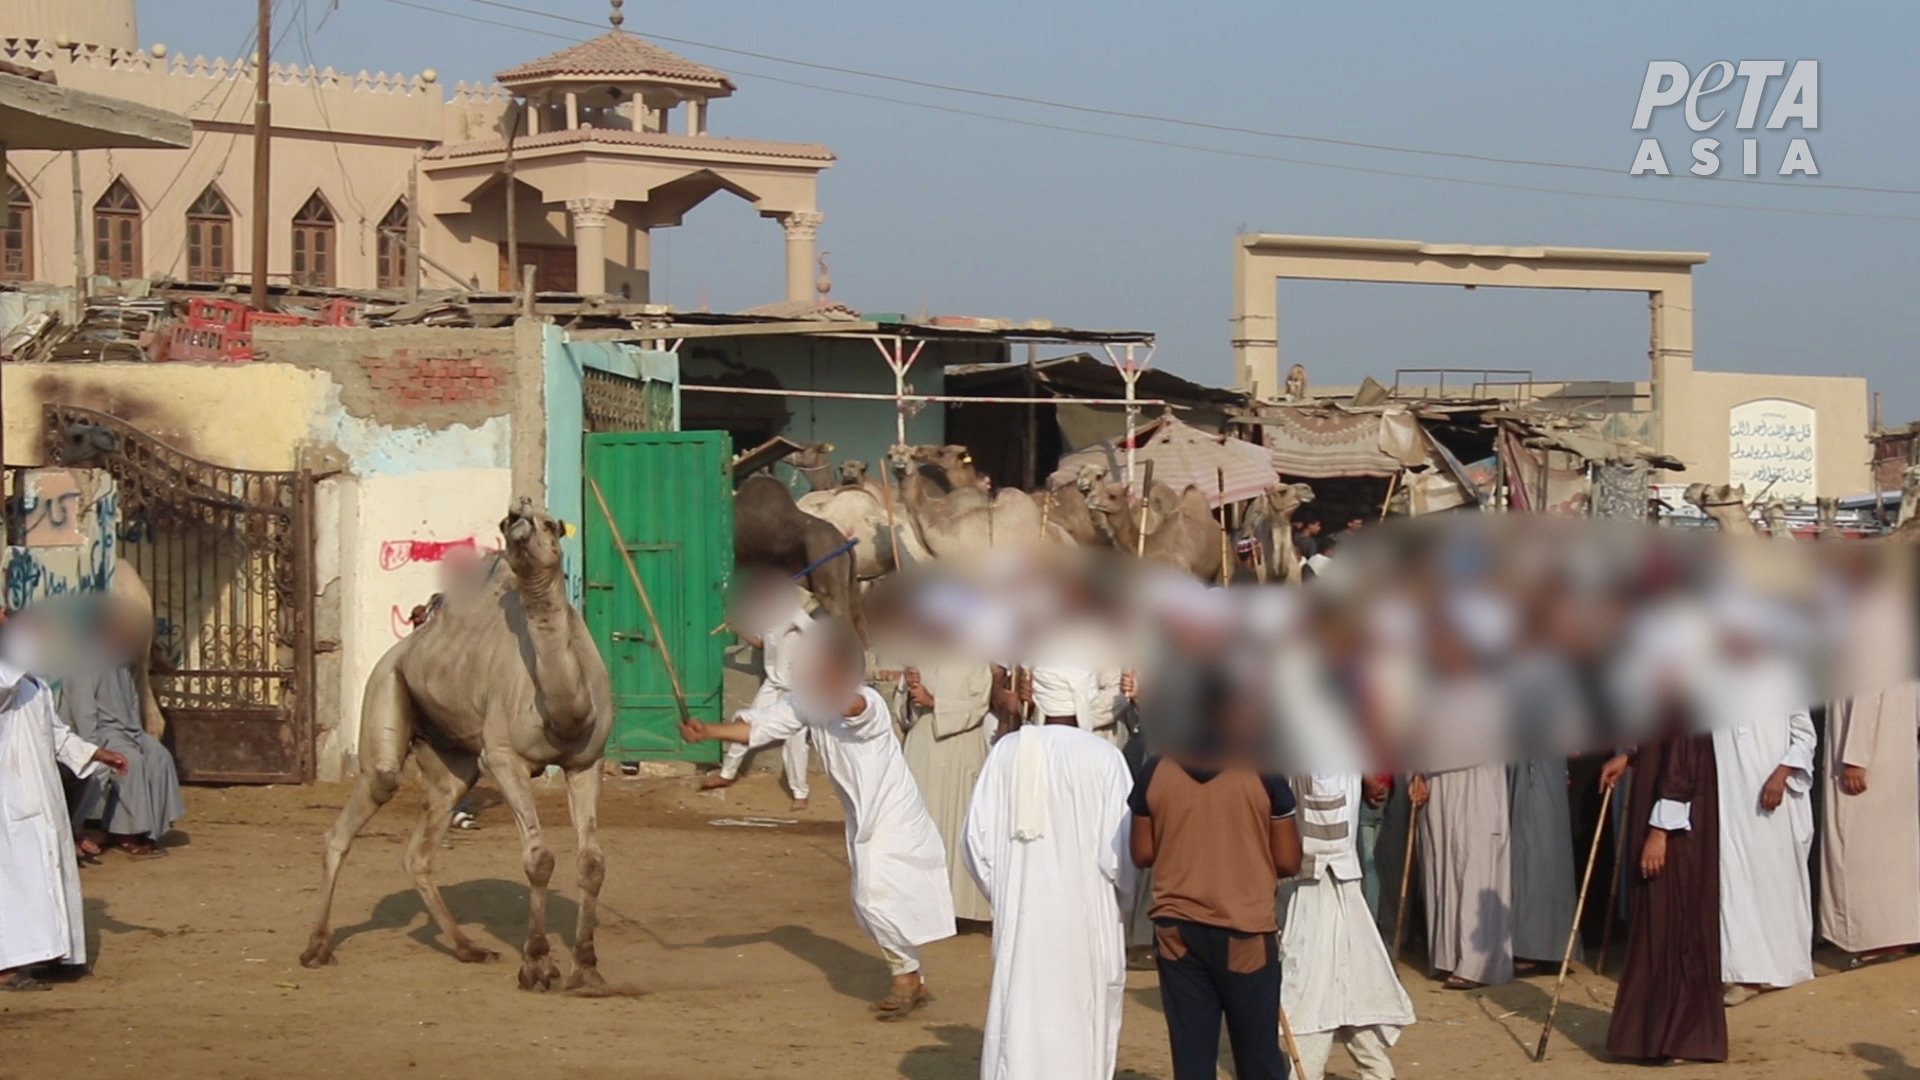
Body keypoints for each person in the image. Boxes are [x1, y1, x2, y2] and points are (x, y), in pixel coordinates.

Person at [681, 616, 955, 1017]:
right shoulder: (809, 703)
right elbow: (758, 729)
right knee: (875, 899)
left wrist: (822, 683)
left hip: (893, 815)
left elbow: (851, 706)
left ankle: (906, 980)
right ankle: (912, 976)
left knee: (875, 895)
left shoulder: (867, 703)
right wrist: (708, 732)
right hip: (862, 817)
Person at [1130, 677, 1302, 1080]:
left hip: (1177, 929)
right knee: (1258, 1057)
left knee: (1191, 1057)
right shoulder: (1263, 770)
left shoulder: (1156, 768)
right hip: (1244, 928)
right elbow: (1288, 860)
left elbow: (1142, 853)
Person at [963, 694, 1135, 1079]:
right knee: (1082, 1020)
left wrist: (1008, 892)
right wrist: (1119, 904)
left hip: (1023, 921)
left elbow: (975, 843)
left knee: (1020, 1015)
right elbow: (1120, 857)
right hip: (1088, 921)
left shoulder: (1007, 752)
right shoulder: (1105, 758)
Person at [1, 623, 129, 990]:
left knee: (51, 874)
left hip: (45, 795)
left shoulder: (36, 685)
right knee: (18, 881)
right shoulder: (7, 682)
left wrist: (98, 754)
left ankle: (53, 955)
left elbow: (56, 733)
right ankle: (7, 967)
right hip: (13, 795)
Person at [1700, 614, 1817, 1006]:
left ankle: (1785, 966)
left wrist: (1781, 775)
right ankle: (1744, 974)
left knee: (1777, 882)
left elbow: (1805, 735)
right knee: (1735, 883)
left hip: (1775, 804)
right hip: (1729, 804)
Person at [1280, 772, 1416, 1080]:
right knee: (1343, 985)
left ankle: (1314, 1073)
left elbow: (1326, 819)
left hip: (1323, 878)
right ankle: (1375, 1070)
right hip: (1321, 878)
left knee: (1314, 987)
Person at [1602, 733, 1728, 1064]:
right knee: (1658, 922)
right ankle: (1655, 1032)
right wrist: (1632, 758)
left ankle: (1680, 1036)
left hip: (1677, 834)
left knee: (1674, 920)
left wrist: (1660, 833)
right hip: (1664, 815)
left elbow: (1682, 763)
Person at [1818, 563, 1920, 965]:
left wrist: (1854, 759)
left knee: (1861, 852)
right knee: (1891, 851)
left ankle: (1874, 939)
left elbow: (1865, 698)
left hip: (1868, 763)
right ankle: (1895, 933)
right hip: (1895, 758)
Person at [62, 610, 184, 857]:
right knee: (131, 762)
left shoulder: (121, 662)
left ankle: (151, 828)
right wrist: (95, 749)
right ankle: (126, 833)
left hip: (128, 731)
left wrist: (139, 736)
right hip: (102, 734)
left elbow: (131, 704)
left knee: (159, 755)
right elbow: (83, 712)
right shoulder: (85, 662)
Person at [898, 661, 994, 922]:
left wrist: (935, 702)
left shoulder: (974, 659)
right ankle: (919, 903)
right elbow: (902, 713)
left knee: (957, 826)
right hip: (922, 750)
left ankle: (957, 907)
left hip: (959, 750)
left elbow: (979, 705)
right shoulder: (919, 656)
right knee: (919, 827)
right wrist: (910, 695)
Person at [703, 589, 813, 810]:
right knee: (745, 725)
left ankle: (800, 793)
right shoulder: (762, 615)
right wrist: (738, 628)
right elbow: (762, 643)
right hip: (773, 683)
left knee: (796, 741)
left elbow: (817, 634)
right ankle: (727, 773)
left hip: (798, 687)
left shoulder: (793, 611)